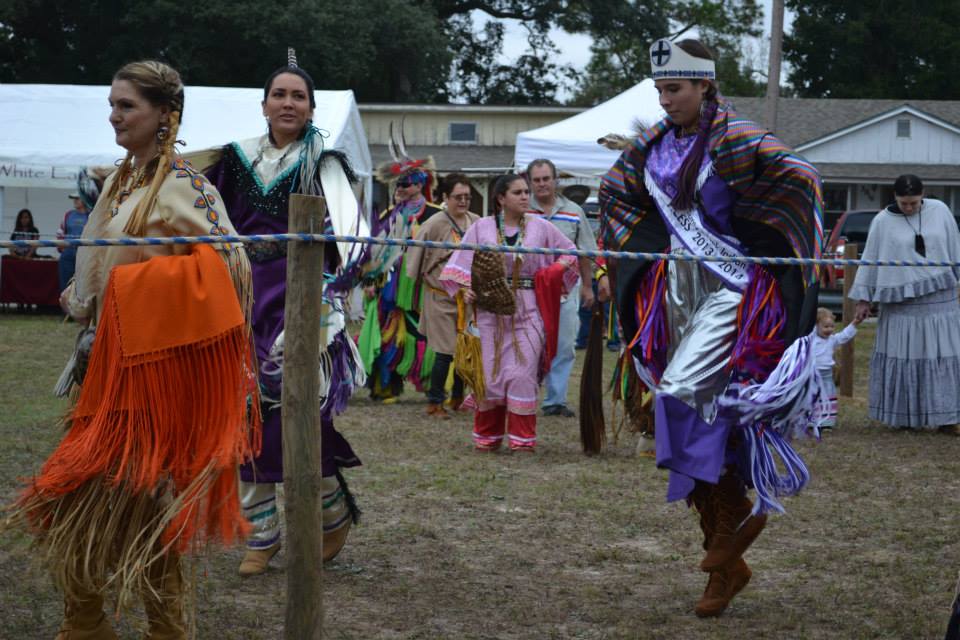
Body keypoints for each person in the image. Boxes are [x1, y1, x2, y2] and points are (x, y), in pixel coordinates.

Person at [8, 60, 257, 640]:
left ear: (164, 115)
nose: (114, 115)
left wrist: (139, 295)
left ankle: (153, 629)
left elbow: (233, 267)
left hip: (154, 378)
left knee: (138, 508)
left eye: (127, 106)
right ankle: (91, 624)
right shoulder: (125, 179)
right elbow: (96, 271)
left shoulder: (186, 186)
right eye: (113, 104)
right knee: (82, 504)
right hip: (106, 372)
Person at [599, 38, 824, 617]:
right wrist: (630, 264)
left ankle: (736, 519)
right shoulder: (652, 146)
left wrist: (768, 247)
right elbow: (619, 200)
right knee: (688, 418)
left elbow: (801, 180)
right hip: (673, 294)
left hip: (730, 291)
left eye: (674, 88)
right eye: (660, 90)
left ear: (704, 85)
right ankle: (724, 560)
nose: (666, 99)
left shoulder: (737, 136)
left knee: (679, 396)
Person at [206, 50, 368, 576]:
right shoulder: (232, 160)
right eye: (280, 94)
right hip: (239, 303)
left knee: (295, 415)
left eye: (298, 95)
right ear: (264, 104)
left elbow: (356, 239)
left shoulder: (324, 163)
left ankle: (331, 513)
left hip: (302, 306)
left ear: (312, 108)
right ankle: (262, 535)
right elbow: (202, 219)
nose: (288, 102)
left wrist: (331, 295)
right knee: (238, 416)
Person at [440, 173, 579, 452]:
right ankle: (488, 438)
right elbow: (461, 264)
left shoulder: (541, 228)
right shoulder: (482, 228)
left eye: (526, 191)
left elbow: (570, 252)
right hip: (491, 310)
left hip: (529, 308)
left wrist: (552, 272)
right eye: (518, 192)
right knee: (491, 375)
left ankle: (522, 440)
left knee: (522, 373)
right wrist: (466, 288)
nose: (525, 196)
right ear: (501, 198)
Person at [850, 174, 960, 432]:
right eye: (904, 203)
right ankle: (905, 416)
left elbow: (954, 246)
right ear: (895, 198)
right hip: (901, 305)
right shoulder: (882, 222)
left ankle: (948, 418)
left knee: (942, 356)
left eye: (914, 203)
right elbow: (871, 258)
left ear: (923, 196)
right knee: (905, 358)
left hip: (940, 299)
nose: (909, 208)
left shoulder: (941, 211)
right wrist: (864, 299)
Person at [358, 143, 442, 403]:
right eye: (398, 185)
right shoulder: (389, 214)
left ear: (418, 185)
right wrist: (370, 280)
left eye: (405, 184)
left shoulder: (435, 215)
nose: (400, 189)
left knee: (428, 334)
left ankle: (433, 385)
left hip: (423, 286)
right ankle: (386, 386)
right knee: (388, 334)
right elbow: (375, 252)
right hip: (391, 287)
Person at [527, 159, 608, 417]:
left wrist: (587, 286)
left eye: (546, 178)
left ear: (555, 180)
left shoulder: (574, 211)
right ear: (530, 182)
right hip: (528, 291)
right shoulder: (522, 209)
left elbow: (584, 252)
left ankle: (555, 400)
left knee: (564, 345)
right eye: (536, 180)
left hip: (565, 291)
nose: (541, 184)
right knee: (527, 344)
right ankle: (523, 398)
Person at [404, 172, 479, 418]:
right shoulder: (434, 224)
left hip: (466, 299)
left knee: (463, 349)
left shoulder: (476, 222)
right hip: (439, 296)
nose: (463, 201)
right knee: (444, 351)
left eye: (467, 197)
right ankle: (435, 402)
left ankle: (458, 396)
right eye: (458, 197)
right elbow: (415, 260)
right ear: (446, 197)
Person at [811, 307, 860, 430]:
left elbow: (844, 335)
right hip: (812, 375)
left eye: (832, 326)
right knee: (812, 398)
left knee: (827, 398)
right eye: (826, 326)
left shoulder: (832, 340)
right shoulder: (811, 339)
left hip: (827, 376)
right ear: (816, 326)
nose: (829, 330)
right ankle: (812, 421)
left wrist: (855, 323)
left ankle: (827, 422)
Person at [56, 195, 90, 291]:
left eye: (77, 198)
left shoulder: (91, 215)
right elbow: (60, 232)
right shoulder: (68, 215)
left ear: (84, 199)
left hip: (84, 255)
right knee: (65, 287)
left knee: (83, 287)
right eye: (73, 198)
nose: (74, 200)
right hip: (68, 254)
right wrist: (62, 248)